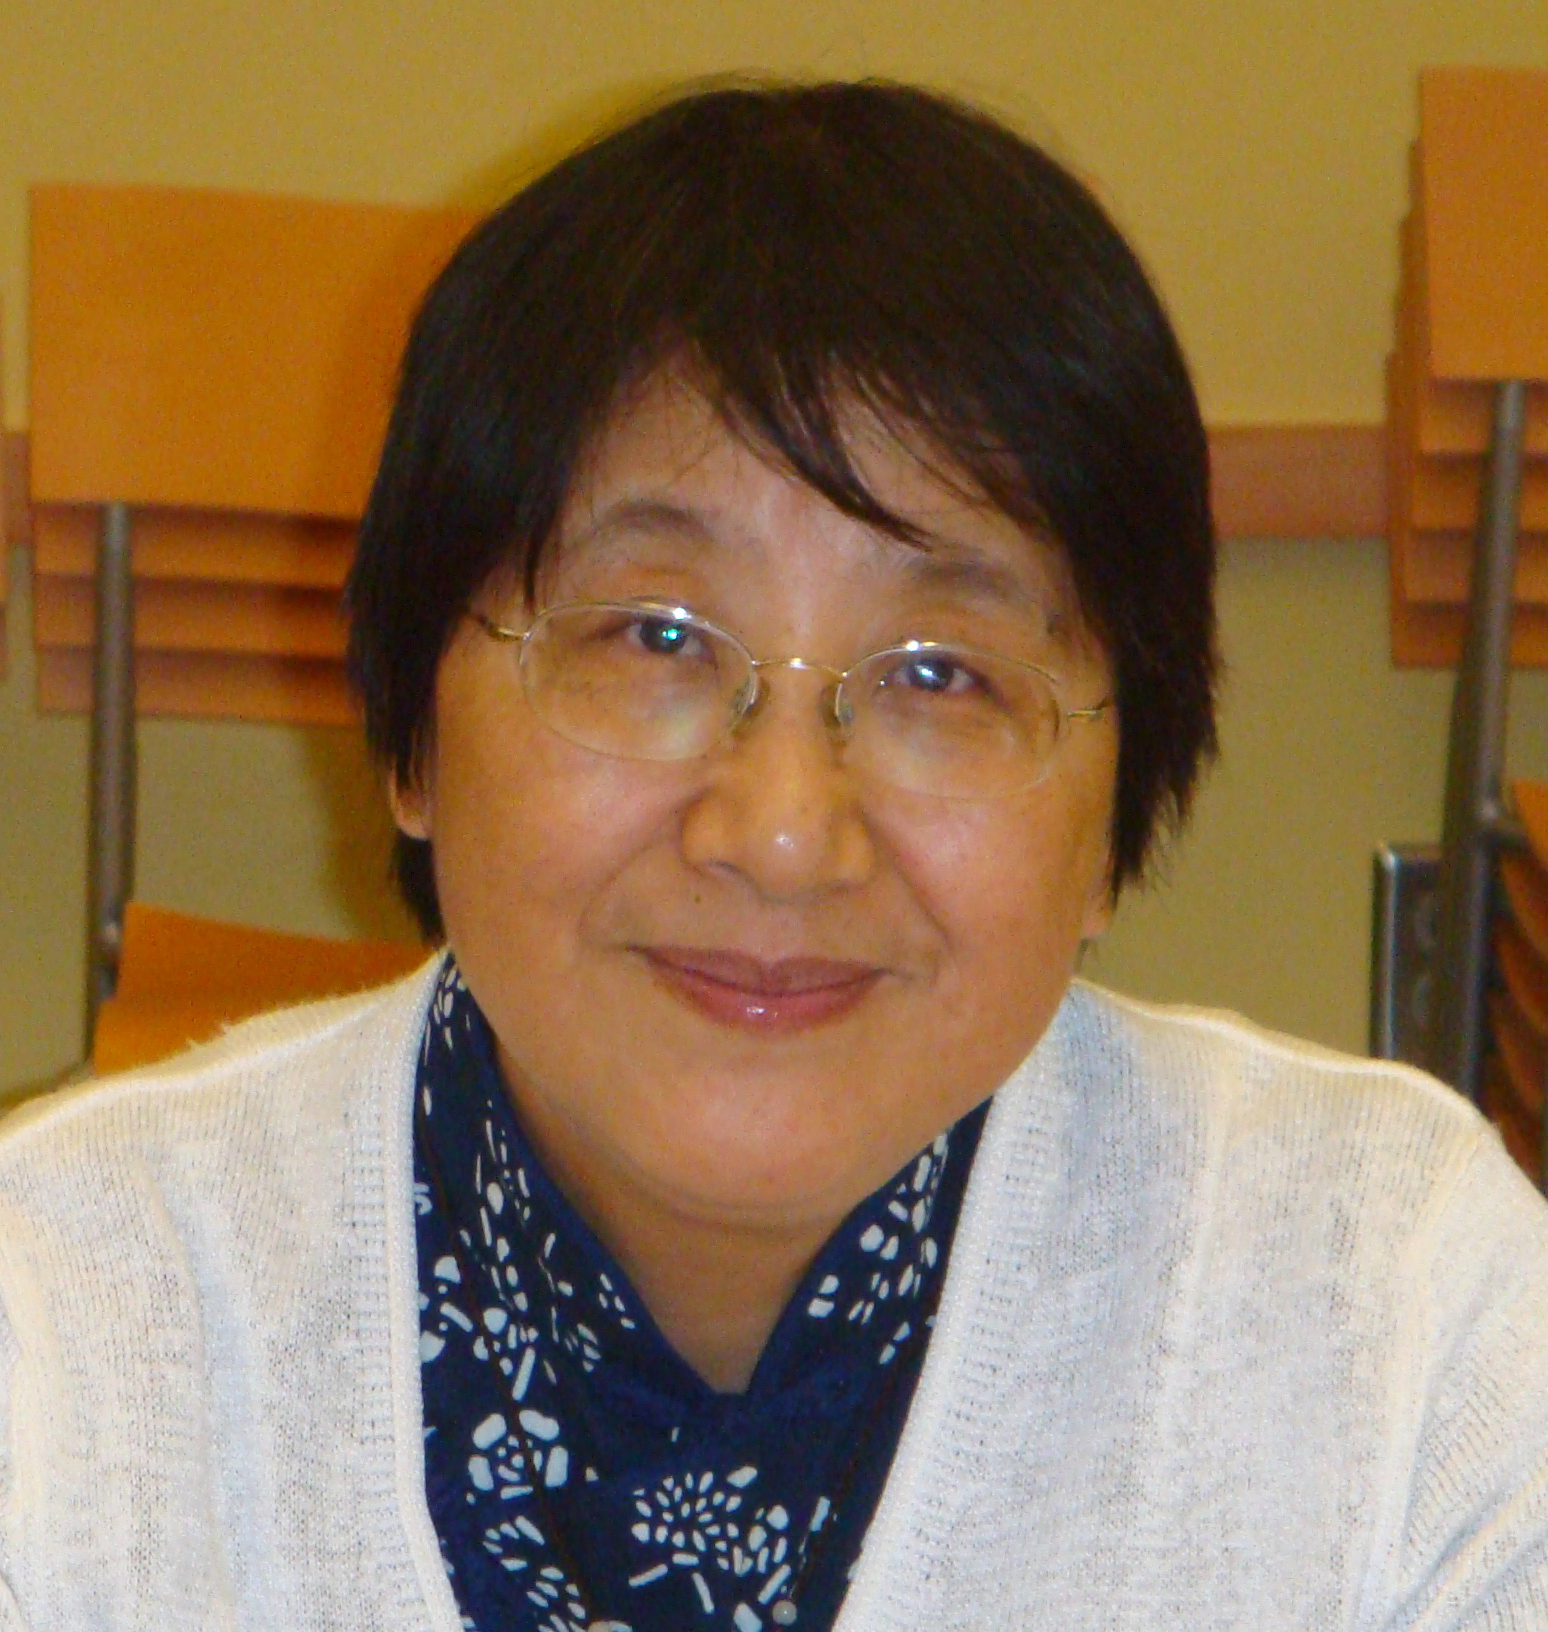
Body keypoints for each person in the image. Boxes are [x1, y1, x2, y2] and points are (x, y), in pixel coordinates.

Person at [1, 80, 1547, 1632]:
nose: (786, 832)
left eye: (942, 673)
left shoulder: (1397, 1313)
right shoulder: (65, 1331)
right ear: (412, 729)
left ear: (1112, 822)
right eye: (653, 638)